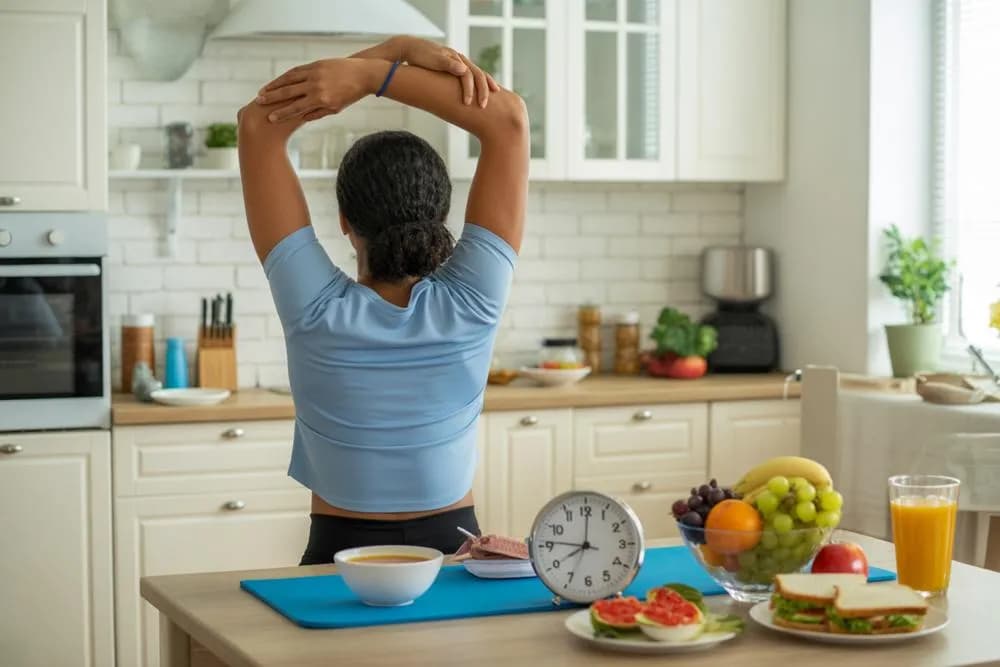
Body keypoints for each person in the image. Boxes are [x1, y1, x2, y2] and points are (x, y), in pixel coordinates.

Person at [237, 35, 529, 565]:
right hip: (458, 553)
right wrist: (382, 72)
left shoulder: (315, 310)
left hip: (336, 552)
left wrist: (383, 58)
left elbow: (257, 125)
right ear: (442, 217)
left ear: (345, 223)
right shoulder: (473, 302)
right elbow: (508, 121)